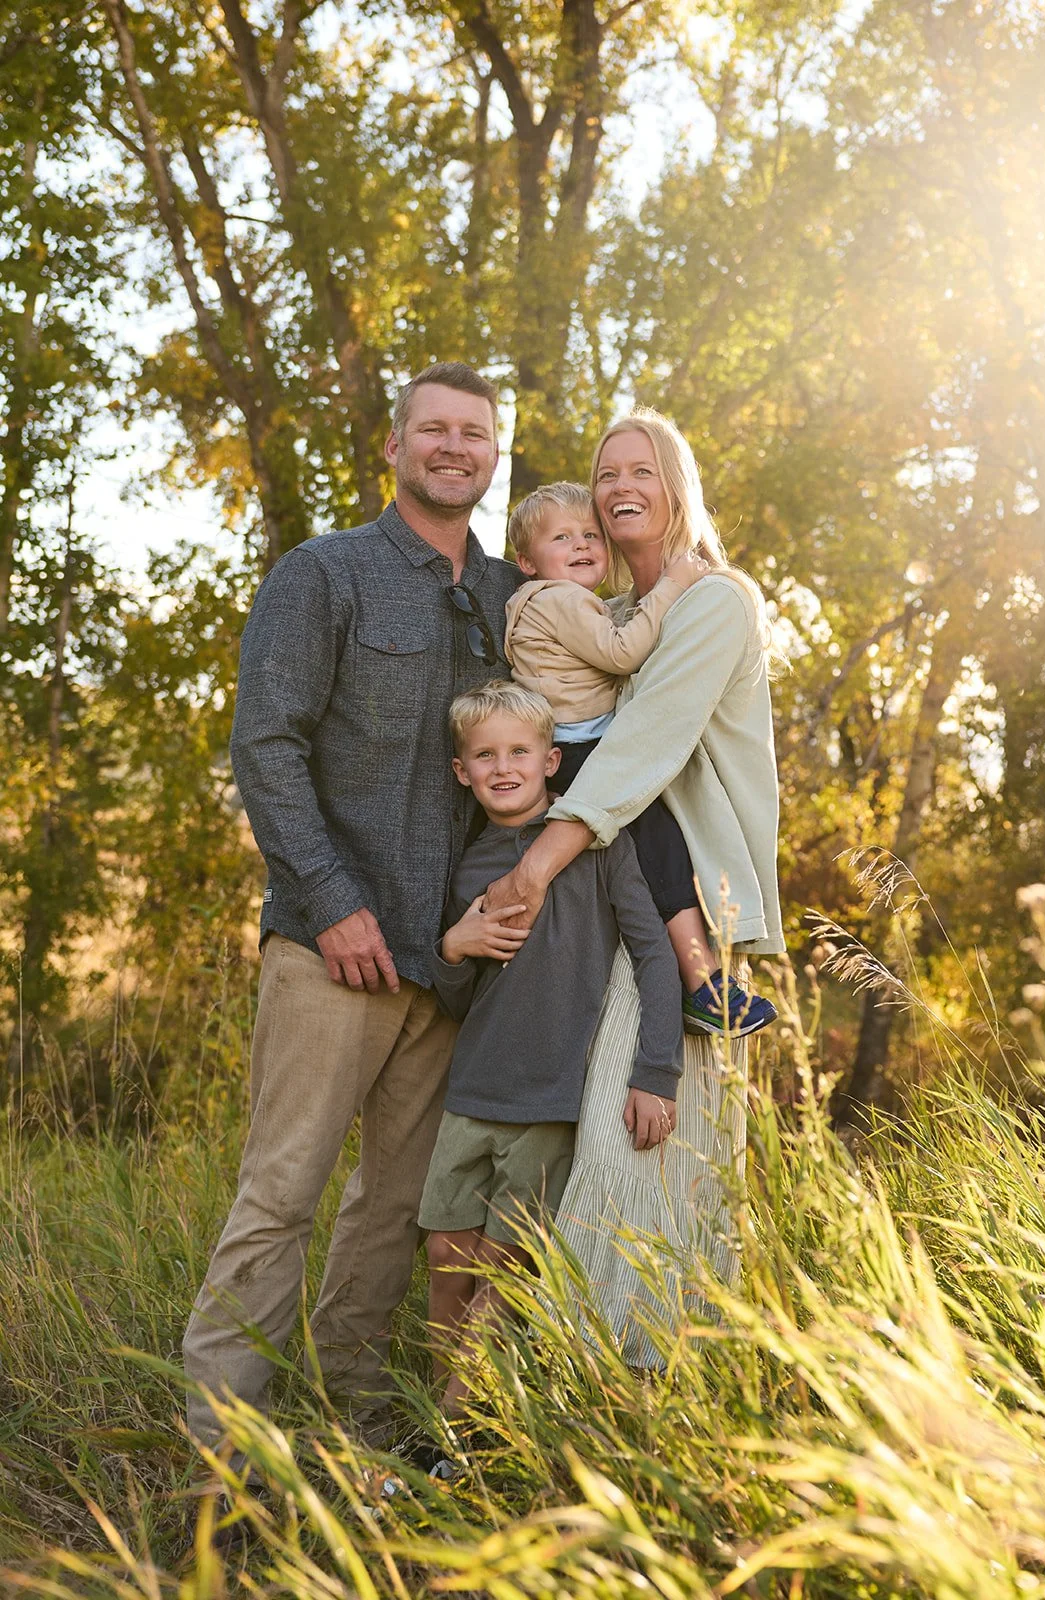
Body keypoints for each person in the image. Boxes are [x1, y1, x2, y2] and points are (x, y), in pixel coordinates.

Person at [182, 363, 521, 1461]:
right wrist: (329, 902)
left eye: (473, 433)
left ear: (491, 452)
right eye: (434, 429)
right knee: (278, 1199)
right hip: (333, 957)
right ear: (395, 445)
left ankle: (356, 1442)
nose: (453, 447)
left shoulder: (520, 598)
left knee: (395, 1218)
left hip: (454, 969)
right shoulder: (323, 574)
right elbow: (264, 746)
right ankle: (220, 1471)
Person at [483, 409, 785, 1366]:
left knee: (649, 1157)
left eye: (642, 470)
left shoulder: (713, 603)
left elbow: (643, 745)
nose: (620, 486)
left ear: (676, 485)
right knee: (615, 1160)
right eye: (606, 471)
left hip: (691, 907)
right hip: (620, 907)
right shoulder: (609, 616)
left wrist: (535, 861)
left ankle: (637, 1381)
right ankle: (595, 1393)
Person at [417, 679, 682, 1460]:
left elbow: (653, 958)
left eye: (519, 753)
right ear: (463, 772)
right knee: (445, 1259)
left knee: (501, 1270)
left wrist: (655, 1072)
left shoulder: (598, 847)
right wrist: (449, 951)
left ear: (550, 761)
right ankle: (449, 1404)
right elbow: (461, 996)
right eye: (485, 756)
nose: (503, 768)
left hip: (549, 1099)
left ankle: (451, 1437)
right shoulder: (467, 865)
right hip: (471, 1090)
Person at [504, 481, 777, 1037]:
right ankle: (705, 984)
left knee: (642, 865)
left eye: (589, 535)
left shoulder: (550, 602)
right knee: (663, 850)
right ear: (527, 562)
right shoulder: (562, 600)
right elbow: (625, 652)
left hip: (573, 745)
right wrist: (675, 583)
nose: (582, 545)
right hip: (584, 749)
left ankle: (695, 983)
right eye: (562, 538)